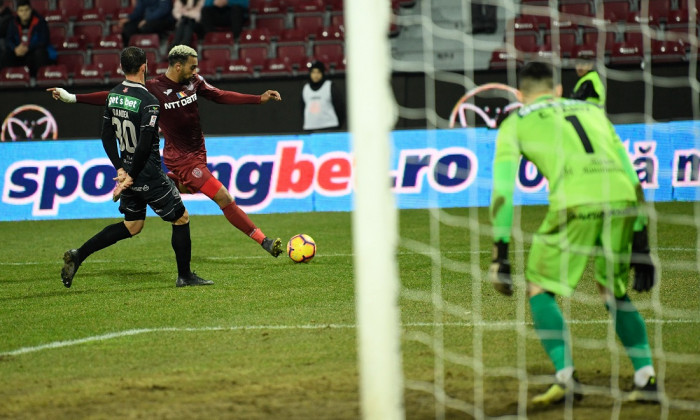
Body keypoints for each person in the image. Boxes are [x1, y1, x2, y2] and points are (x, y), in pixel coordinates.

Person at [489, 62, 658, 406]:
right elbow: (631, 175)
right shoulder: (592, 111)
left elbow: (503, 192)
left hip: (575, 204)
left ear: (520, 97)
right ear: (558, 91)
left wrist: (500, 254)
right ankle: (646, 377)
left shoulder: (515, 123)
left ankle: (567, 379)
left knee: (539, 287)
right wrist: (642, 242)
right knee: (612, 290)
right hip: (623, 200)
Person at [48, 45, 285, 259]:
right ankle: (264, 240)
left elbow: (220, 95)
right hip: (181, 158)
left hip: (198, 153)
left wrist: (258, 99)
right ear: (178, 65)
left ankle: (149, 184)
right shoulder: (153, 89)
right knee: (223, 197)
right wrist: (72, 98)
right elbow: (113, 98)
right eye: (192, 66)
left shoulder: (195, 82)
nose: (196, 70)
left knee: (147, 214)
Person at [61, 46, 212, 289]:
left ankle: (80, 254)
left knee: (133, 225)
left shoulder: (113, 95)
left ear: (122, 67)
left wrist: (120, 169)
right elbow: (143, 145)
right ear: (144, 67)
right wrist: (130, 175)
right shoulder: (149, 101)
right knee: (181, 218)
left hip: (128, 169)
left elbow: (107, 137)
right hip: (147, 171)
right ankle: (185, 276)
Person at [2, 0, 54, 77]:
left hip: (33, 51)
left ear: (30, 10)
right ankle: (7, 79)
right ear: (17, 12)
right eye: (21, 10)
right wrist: (15, 49)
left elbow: (43, 40)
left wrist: (28, 48)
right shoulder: (13, 23)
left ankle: (39, 79)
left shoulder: (40, 22)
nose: (24, 13)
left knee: (40, 54)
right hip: (18, 52)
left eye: (26, 10)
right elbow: (8, 40)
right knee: (5, 56)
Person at [301, 61, 344, 132]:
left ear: (322, 73)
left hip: (330, 127)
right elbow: (302, 108)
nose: (315, 75)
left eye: (318, 72)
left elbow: (339, 107)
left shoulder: (330, 86)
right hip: (310, 128)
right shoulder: (305, 88)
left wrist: (338, 124)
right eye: (313, 72)